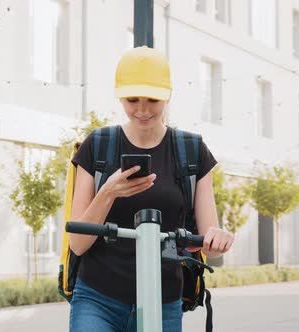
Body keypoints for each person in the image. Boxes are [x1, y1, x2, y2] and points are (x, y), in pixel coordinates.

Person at [67, 46, 234, 331]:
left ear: (167, 95)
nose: (142, 110)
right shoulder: (97, 145)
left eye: (153, 99)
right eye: (133, 99)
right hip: (98, 299)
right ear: (120, 96)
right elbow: (78, 243)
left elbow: (210, 245)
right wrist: (108, 192)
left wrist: (217, 238)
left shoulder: (192, 151)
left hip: (163, 300)